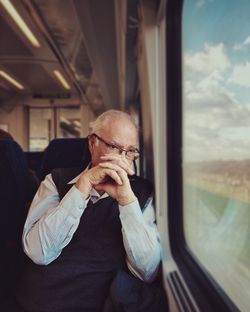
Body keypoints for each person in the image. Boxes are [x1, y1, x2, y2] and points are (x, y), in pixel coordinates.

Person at [16, 110, 163, 312]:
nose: (123, 160)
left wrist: (127, 201)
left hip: (98, 304)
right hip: (42, 302)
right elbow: (39, 253)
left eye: (130, 152)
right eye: (114, 147)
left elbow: (147, 271)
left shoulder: (142, 194)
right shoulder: (56, 180)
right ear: (92, 143)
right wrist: (82, 187)